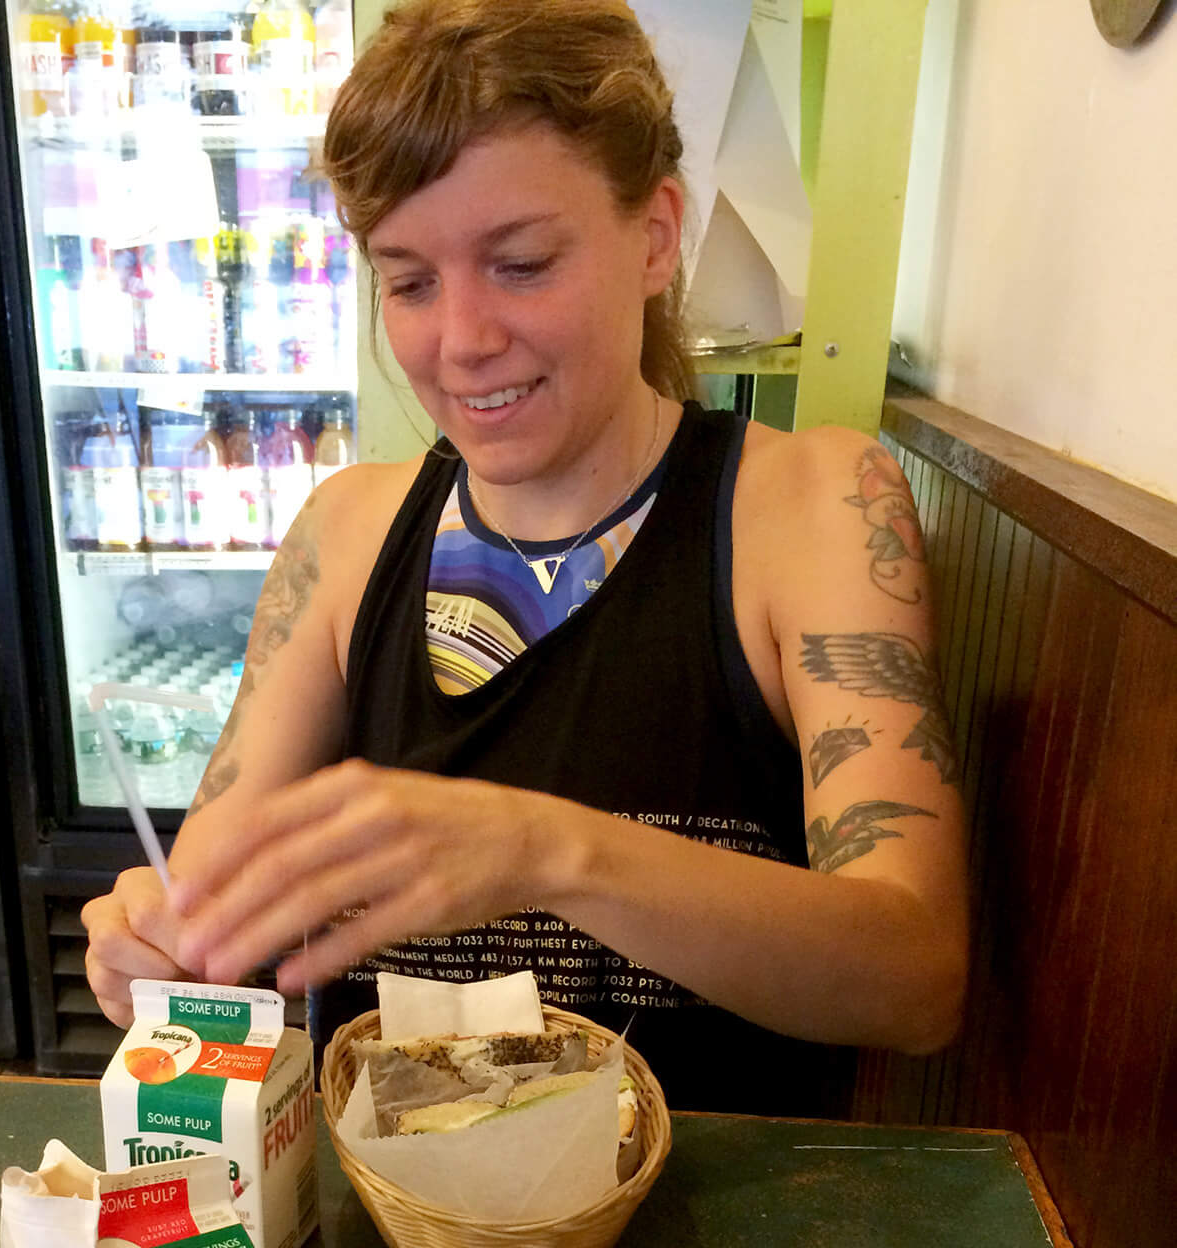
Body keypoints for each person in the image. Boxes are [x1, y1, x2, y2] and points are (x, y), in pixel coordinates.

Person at [82, 0, 967, 1117]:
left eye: (521, 263)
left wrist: (546, 851)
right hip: (399, 1209)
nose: (462, 340)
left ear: (655, 236)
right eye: (409, 282)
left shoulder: (812, 509)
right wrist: (157, 943)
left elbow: (915, 975)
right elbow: (211, 906)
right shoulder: (345, 535)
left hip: (716, 1218)